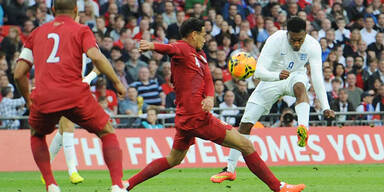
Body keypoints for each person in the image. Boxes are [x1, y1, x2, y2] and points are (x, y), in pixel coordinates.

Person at [125, 18, 305, 192]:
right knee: (246, 145)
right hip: (197, 117)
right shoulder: (183, 48)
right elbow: (169, 48)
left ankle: (126, 185)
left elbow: (209, 80)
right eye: (203, 35)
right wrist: (152, 46)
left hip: (187, 117)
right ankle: (278, 187)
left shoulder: (200, 56)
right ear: (194, 34)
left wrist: (210, 97)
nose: (205, 39)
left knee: (174, 159)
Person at [13, 1, 127, 192]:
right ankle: (117, 185)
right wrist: (116, 82)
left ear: (53, 10)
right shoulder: (81, 30)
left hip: (45, 95)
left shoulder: (36, 33)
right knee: (106, 132)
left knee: (37, 135)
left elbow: (18, 74)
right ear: (76, 10)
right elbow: (97, 57)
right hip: (75, 93)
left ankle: (51, 183)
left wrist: (29, 100)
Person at [211, 17, 335, 183]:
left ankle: (303, 128)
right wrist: (276, 75)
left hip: (295, 76)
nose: (297, 44)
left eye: (300, 40)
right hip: (271, 79)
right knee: (245, 124)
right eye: (293, 40)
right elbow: (259, 72)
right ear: (287, 34)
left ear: (305, 34)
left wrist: (325, 106)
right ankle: (230, 169)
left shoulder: (312, 45)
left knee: (301, 87)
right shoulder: (276, 39)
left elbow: (317, 77)